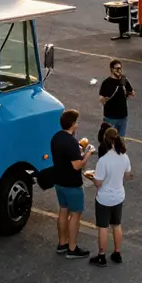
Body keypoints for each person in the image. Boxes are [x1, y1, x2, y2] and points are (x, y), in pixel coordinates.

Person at [51, 109, 92, 259]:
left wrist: (79, 150)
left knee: (63, 210)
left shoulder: (56, 137)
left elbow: (65, 156)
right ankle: (72, 248)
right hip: (72, 184)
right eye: (77, 122)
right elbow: (77, 165)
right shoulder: (71, 142)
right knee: (75, 214)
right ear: (73, 124)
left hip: (59, 181)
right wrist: (87, 154)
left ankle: (62, 243)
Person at [88, 127, 132, 267]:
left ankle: (101, 255)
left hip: (104, 198)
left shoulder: (103, 161)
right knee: (117, 225)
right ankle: (117, 252)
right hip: (119, 196)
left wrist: (91, 177)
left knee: (103, 227)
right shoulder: (124, 157)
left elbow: (98, 182)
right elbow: (127, 175)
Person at [99, 60, 134, 138]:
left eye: (120, 68)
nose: (119, 70)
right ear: (112, 69)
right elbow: (101, 99)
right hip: (110, 118)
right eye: (117, 68)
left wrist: (127, 91)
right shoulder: (106, 83)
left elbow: (132, 93)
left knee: (120, 141)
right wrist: (107, 98)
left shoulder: (123, 80)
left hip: (122, 117)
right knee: (109, 140)